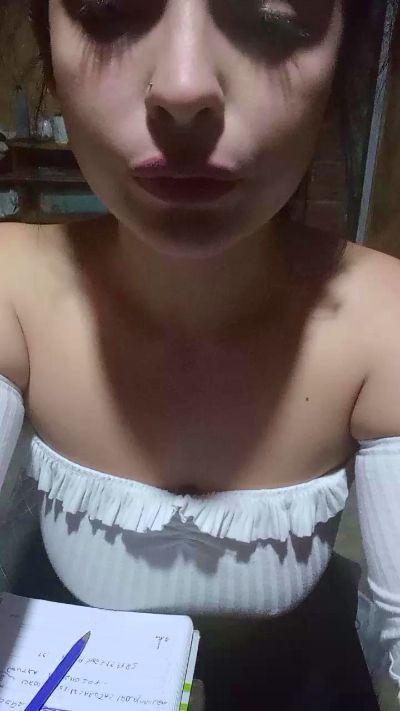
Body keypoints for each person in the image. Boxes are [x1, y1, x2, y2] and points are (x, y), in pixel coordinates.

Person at [0, 0, 399, 708]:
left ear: (341, 65)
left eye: (272, 13)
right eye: (109, 8)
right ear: (49, 50)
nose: (184, 88)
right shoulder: (11, 286)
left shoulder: (384, 319)